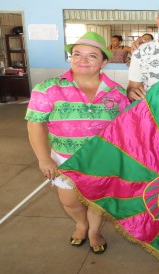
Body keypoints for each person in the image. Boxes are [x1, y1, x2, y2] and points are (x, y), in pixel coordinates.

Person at [25, 31, 130, 253]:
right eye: (77, 54)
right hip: (65, 159)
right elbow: (35, 124)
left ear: (104, 61)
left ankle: (93, 231)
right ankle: (80, 223)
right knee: (70, 201)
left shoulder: (117, 93)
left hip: (102, 160)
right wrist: (44, 159)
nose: (83, 60)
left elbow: (122, 128)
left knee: (96, 201)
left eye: (92, 56)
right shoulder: (48, 88)